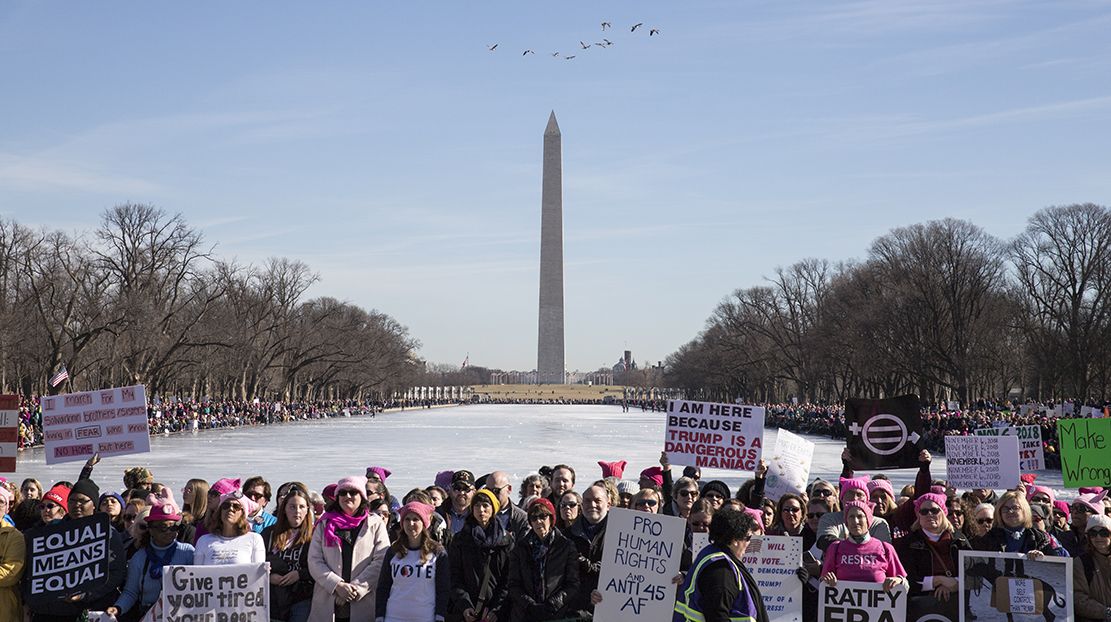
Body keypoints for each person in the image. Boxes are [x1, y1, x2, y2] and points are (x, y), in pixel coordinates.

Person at [308, 475, 390, 622]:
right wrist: (337, 586)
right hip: (328, 601)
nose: (348, 496)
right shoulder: (324, 524)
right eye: (343, 493)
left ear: (362, 497)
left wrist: (355, 589)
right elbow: (314, 561)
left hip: (362, 601)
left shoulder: (376, 524)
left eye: (353, 492)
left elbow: (381, 560)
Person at [674, 507, 768, 622]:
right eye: (748, 537)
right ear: (734, 540)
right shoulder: (721, 571)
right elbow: (718, 615)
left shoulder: (710, 554)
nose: (749, 543)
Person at [106, 502, 195, 622]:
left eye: (173, 527)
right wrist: (117, 608)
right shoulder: (139, 558)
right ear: (151, 530)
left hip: (181, 615)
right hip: (149, 616)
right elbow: (131, 592)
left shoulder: (188, 553)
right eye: (163, 527)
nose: (169, 531)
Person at [894, 493, 971, 622]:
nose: (929, 514)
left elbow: (973, 573)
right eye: (924, 511)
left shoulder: (960, 540)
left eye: (934, 510)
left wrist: (954, 583)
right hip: (919, 608)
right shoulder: (908, 543)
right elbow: (906, 580)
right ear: (918, 516)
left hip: (957, 606)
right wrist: (937, 580)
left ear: (944, 513)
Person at [506, 498, 579, 622]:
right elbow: (513, 584)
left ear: (551, 519)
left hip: (556, 614)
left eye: (542, 516)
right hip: (525, 615)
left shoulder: (566, 546)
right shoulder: (520, 548)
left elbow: (572, 583)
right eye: (534, 518)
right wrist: (529, 605)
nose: (538, 521)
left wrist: (553, 604)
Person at [447, 489, 513, 622]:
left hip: (496, 613)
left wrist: (496, 609)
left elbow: (509, 579)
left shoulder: (505, 540)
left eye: (485, 505)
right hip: (466, 612)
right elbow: (454, 576)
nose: (481, 510)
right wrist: (465, 606)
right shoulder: (461, 539)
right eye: (477, 505)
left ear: (493, 508)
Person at [375, 502, 448, 622]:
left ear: (424, 523)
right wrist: (379, 616)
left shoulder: (437, 552)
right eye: (407, 519)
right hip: (393, 616)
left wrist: (440, 616)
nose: (411, 524)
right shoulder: (393, 551)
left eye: (416, 519)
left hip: (425, 617)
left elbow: (443, 589)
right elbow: (383, 587)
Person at [820, 501, 907, 590]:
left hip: (878, 603)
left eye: (860, 516)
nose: (856, 521)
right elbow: (823, 584)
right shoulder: (835, 548)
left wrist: (898, 580)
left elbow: (904, 584)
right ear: (846, 521)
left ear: (868, 520)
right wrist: (827, 581)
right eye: (851, 517)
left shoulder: (886, 548)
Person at [263, 486, 316, 622]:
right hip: (274, 596)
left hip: (301, 595)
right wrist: (268, 577)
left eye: (301, 507)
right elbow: (255, 563)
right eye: (292, 507)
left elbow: (321, 565)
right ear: (284, 509)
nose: (297, 511)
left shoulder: (315, 535)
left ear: (307, 510)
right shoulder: (269, 534)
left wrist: (299, 574)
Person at [567, 482, 610, 619]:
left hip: (613, 610)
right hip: (577, 611)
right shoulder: (567, 536)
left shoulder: (622, 534)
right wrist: (586, 598)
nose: (592, 505)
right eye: (587, 501)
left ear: (608, 504)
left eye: (598, 500)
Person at [194, 490, 266, 565]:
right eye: (226, 506)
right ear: (220, 512)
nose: (230, 509)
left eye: (236, 507)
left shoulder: (254, 539)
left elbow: (258, 572)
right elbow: (197, 572)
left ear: (243, 514)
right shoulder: (203, 541)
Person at [1074, 514, 1111, 622]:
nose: (1098, 537)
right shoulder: (1081, 563)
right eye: (1093, 533)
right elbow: (1078, 598)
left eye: (1104, 533)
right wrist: (1105, 612)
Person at [0, 486, 24, 621]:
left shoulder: (15, 537)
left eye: (0, 502)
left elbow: (9, 574)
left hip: (4, 609)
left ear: (7, 508)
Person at [487, 471, 528, 539]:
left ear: (509, 489)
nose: (492, 495)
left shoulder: (521, 518)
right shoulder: (479, 514)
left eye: (496, 491)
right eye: (488, 491)